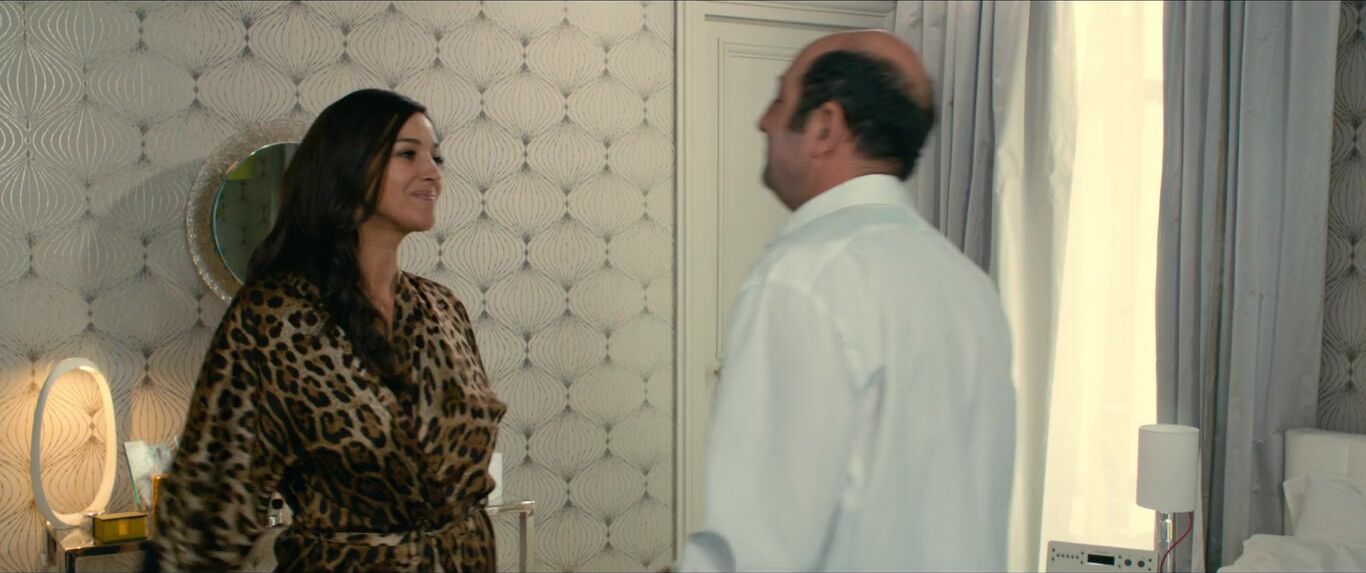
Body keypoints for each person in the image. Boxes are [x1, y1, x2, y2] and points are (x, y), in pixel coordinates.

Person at [676, 30, 1016, 572]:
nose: (763, 121)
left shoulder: (802, 282)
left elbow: (755, 552)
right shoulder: (971, 289)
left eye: (780, 99)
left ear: (824, 127)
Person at [151, 89, 505, 572]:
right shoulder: (274, 318)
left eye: (435, 157)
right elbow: (209, 509)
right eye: (408, 154)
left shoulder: (444, 309)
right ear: (348, 168)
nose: (433, 173)